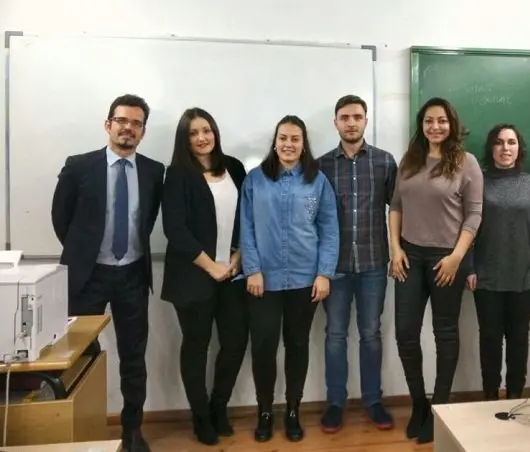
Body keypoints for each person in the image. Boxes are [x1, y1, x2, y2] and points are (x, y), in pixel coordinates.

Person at [51, 94, 165, 452]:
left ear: (143, 131)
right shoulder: (79, 166)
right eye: (122, 121)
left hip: (132, 274)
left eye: (136, 123)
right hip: (88, 276)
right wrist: (85, 253)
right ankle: (80, 427)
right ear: (108, 124)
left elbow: (145, 222)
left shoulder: (153, 171)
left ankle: (132, 431)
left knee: (134, 356)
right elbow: (61, 217)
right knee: (80, 355)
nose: (128, 128)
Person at [389, 97, 483, 444]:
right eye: (429, 121)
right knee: (405, 333)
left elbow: (474, 215)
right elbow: (396, 206)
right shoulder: (409, 160)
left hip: (447, 259)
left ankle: (441, 405)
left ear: (451, 124)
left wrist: (458, 256)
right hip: (409, 257)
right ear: (421, 125)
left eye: (441, 121)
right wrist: (395, 248)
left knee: (445, 333)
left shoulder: (466, 162)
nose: (435, 127)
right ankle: (419, 405)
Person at [240, 115, 339, 443]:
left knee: (297, 346)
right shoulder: (255, 180)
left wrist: (324, 273)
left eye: (295, 139)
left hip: (304, 280)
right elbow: (247, 228)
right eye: (283, 137)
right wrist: (252, 268)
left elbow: (329, 230)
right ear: (275, 141)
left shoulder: (318, 181)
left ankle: (293, 410)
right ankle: (265, 411)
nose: (288, 144)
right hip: (262, 282)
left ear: (303, 143)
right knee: (264, 348)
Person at [160, 108, 248, 445]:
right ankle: (200, 416)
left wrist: (238, 255)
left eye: (206, 130)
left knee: (236, 342)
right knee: (196, 346)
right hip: (193, 276)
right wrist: (211, 266)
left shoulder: (235, 168)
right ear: (185, 139)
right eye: (193, 132)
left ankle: (219, 407)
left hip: (233, 274)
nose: (201, 137)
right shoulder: (178, 174)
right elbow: (175, 230)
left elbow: (246, 216)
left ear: (215, 132)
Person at [317, 95, 397, 432]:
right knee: (335, 335)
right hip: (333, 267)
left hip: (374, 264)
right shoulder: (321, 165)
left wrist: (397, 251)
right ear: (335, 122)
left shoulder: (385, 162)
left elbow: (397, 211)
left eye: (358, 117)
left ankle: (372, 401)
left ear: (366, 121)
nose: (352, 123)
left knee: (370, 334)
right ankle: (335, 402)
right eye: (345, 117)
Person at [466, 124, 530, 401]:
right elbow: (468, 226)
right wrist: (470, 266)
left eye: (511, 142)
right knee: (489, 338)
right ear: (492, 148)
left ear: (519, 148)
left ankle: (515, 394)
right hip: (487, 274)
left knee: (517, 338)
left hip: (524, 273)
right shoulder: (479, 181)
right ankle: (490, 395)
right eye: (499, 142)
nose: (505, 148)